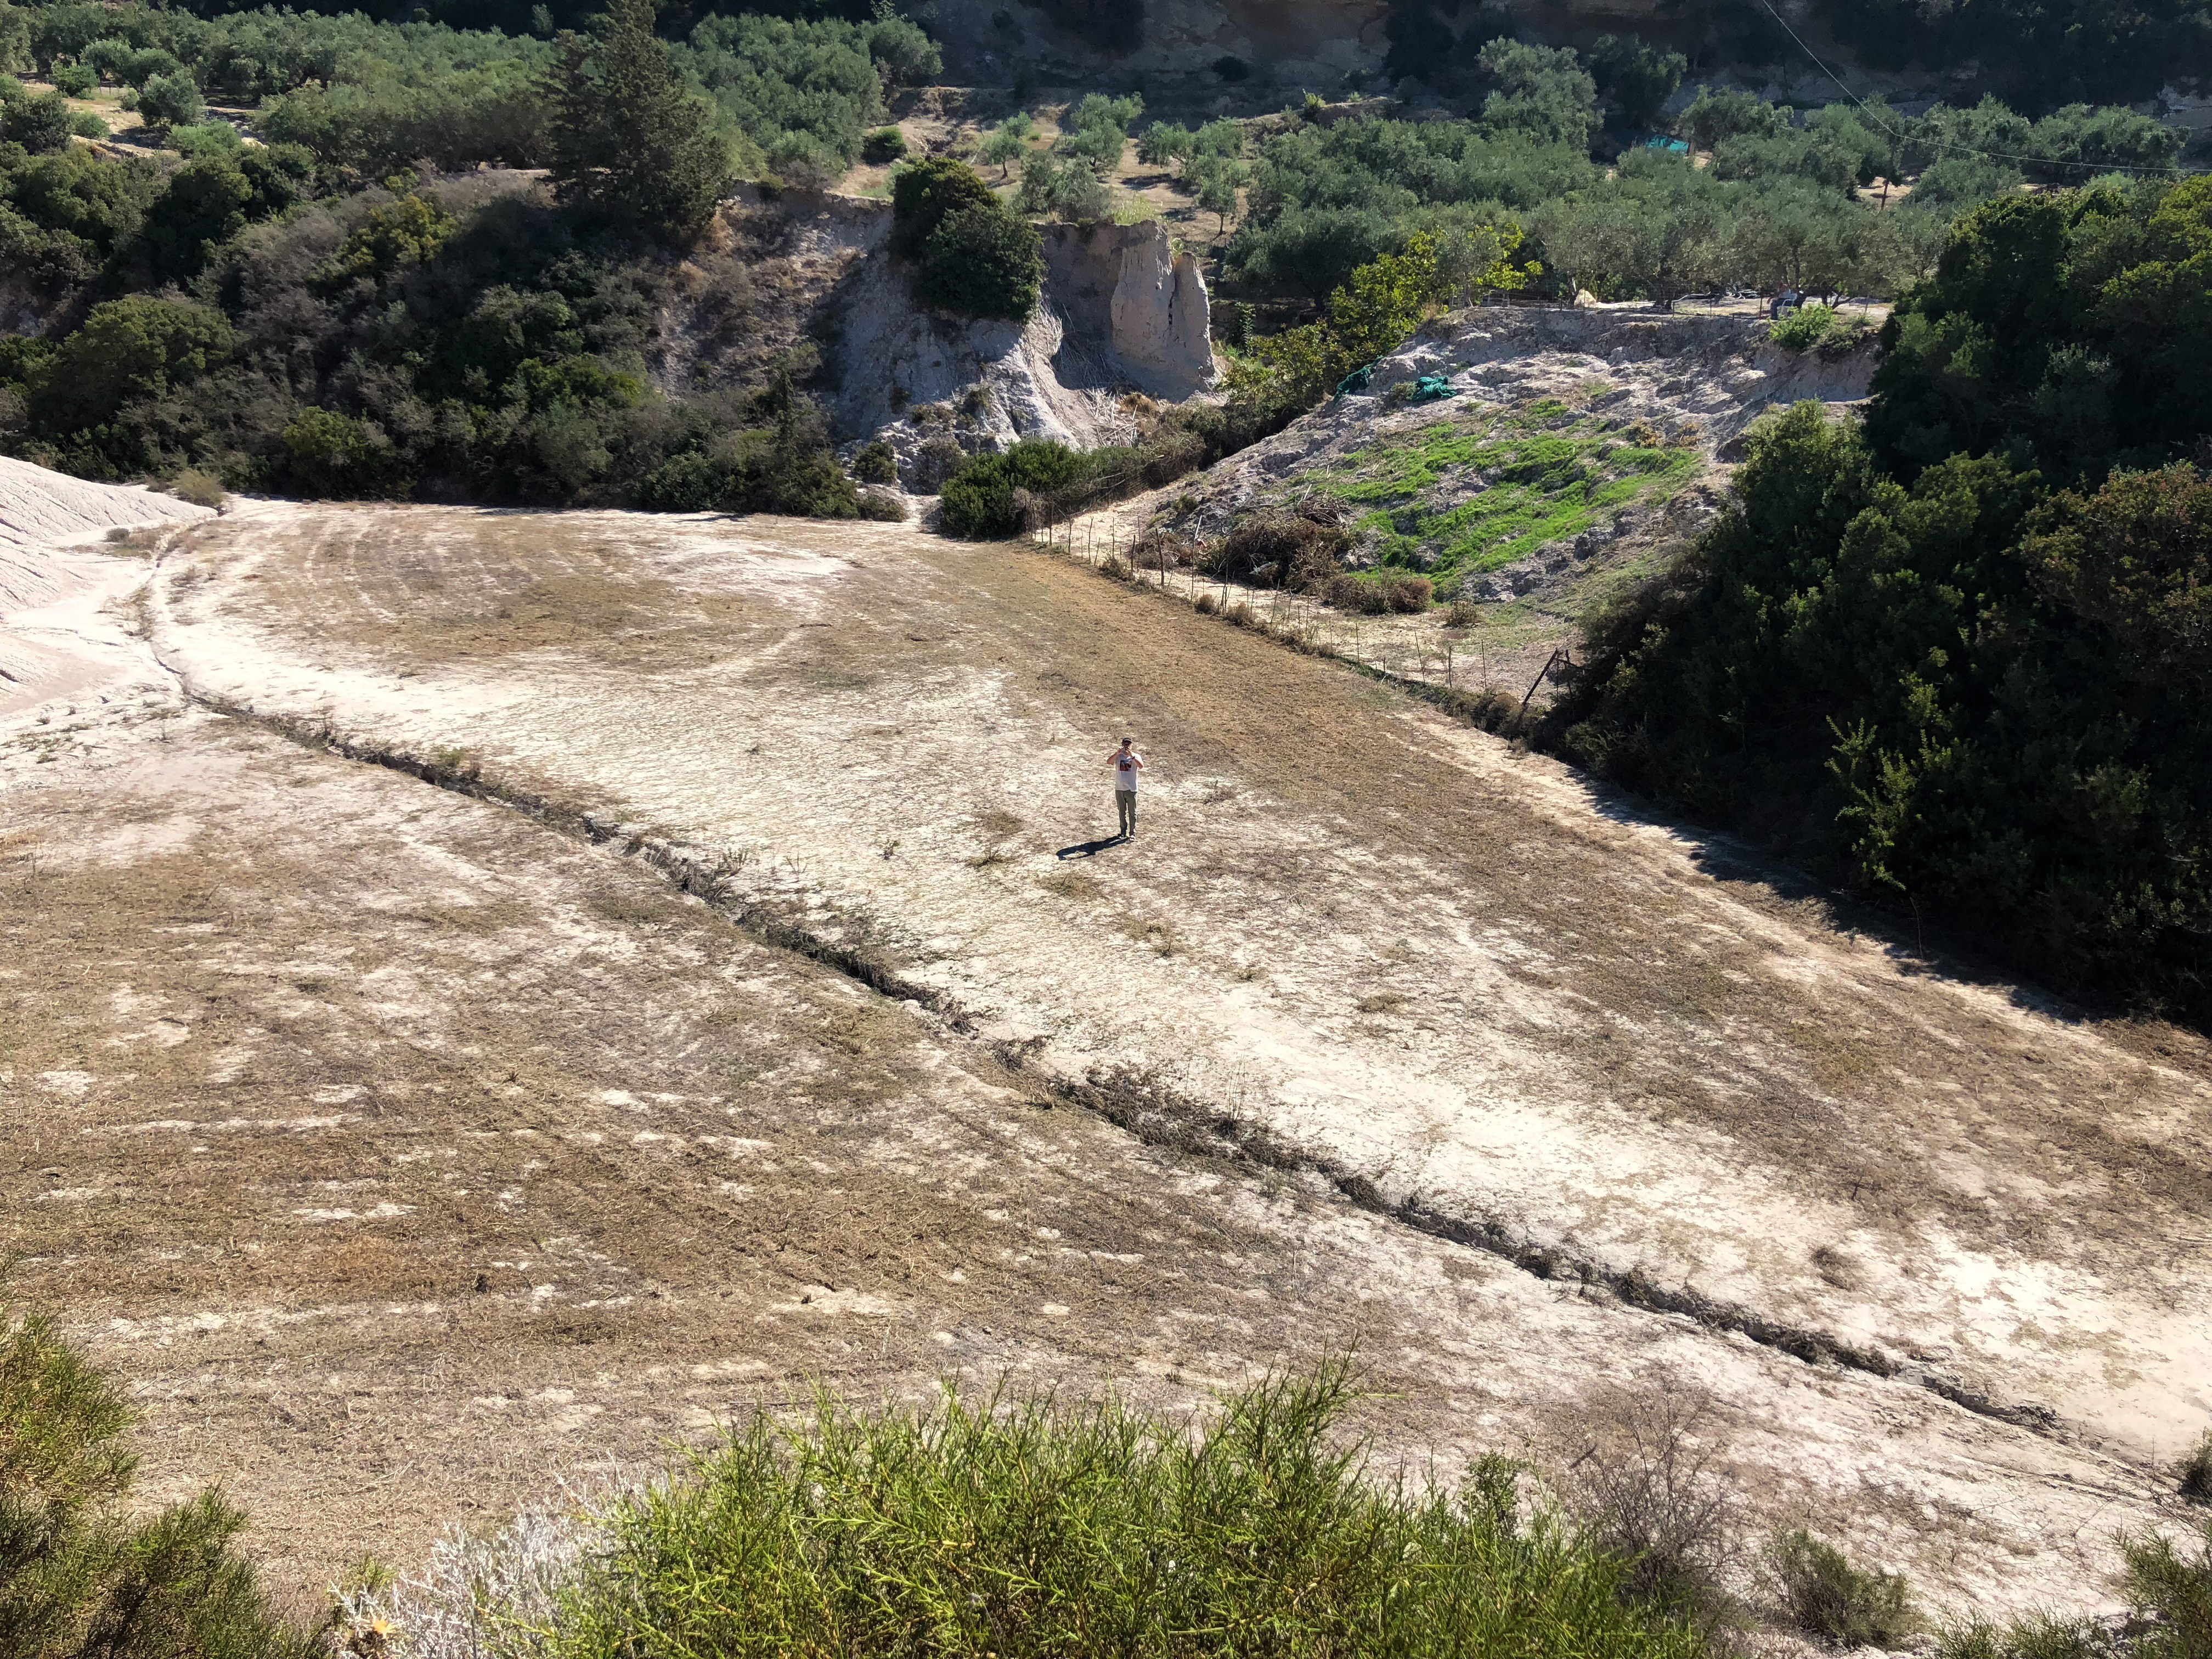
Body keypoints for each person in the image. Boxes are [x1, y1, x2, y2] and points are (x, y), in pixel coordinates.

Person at [1107, 736, 1145, 838]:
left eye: (1128, 744)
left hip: (1132, 789)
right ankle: (1123, 832)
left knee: (1133, 812)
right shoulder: (1119, 757)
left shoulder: (1136, 756)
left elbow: (1141, 766)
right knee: (1122, 812)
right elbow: (1109, 762)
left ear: (1132, 746)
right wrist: (1117, 754)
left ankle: (1132, 833)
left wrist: (1132, 757)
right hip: (1120, 788)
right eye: (1125, 744)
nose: (1127, 746)